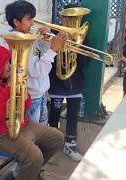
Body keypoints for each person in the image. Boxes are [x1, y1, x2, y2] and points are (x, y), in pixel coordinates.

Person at [0, 44, 64, 180]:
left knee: (57, 138)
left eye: (9, 62)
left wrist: (23, 93)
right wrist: (9, 89)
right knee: (34, 156)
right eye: (5, 63)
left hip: (18, 124)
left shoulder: (6, 79)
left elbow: (24, 107)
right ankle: (29, 170)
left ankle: (28, 171)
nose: (10, 66)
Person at [4, 0, 68, 125]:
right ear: (16, 22)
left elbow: (40, 54)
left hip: (40, 93)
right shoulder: (17, 42)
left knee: (42, 131)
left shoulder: (29, 35)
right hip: (30, 97)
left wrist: (45, 41)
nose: (33, 23)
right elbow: (36, 71)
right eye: (29, 19)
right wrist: (53, 48)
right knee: (35, 135)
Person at [48, 4, 90, 162]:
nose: (66, 20)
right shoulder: (53, 33)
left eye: (73, 18)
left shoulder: (83, 36)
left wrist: (77, 48)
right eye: (65, 17)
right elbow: (48, 58)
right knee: (54, 113)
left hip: (75, 83)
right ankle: (50, 144)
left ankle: (70, 145)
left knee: (73, 115)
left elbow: (85, 63)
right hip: (57, 82)